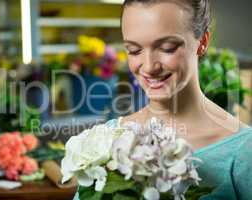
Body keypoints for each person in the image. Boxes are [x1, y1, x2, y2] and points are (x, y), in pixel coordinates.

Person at [73, 0, 252, 199]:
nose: (149, 67)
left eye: (167, 48)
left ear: (202, 42)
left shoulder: (243, 151)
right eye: (134, 50)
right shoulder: (105, 142)